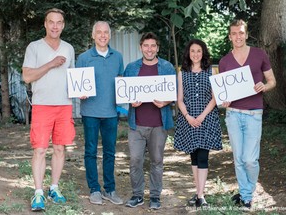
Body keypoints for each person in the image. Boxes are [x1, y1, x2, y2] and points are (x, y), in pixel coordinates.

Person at [22, 8, 76, 211]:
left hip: (64, 105)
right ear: (45, 24)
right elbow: (27, 76)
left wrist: (82, 90)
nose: (55, 26)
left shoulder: (69, 48)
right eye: (51, 22)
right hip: (43, 105)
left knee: (60, 148)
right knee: (40, 149)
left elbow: (73, 78)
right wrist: (51, 63)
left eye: (59, 22)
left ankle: (54, 187)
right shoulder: (34, 47)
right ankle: (38, 192)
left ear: (63, 25)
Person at [219, 19, 276, 209]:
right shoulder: (225, 61)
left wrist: (264, 86)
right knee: (238, 159)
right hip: (233, 114)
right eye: (234, 33)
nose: (238, 36)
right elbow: (223, 91)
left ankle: (248, 190)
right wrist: (224, 100)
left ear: (246, 34)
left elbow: (272, 81)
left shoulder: (259, 54)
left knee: (250, 159)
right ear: (229, 36)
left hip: (253, 114)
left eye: (241, 32)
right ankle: (246, 196)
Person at [124, 32, 176, 210]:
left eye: (153, 46)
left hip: (158, 124)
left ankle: (155, 196)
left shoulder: (167, 67)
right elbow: (124, 91)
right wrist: (131, 100)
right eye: (146, 46)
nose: (149, 49)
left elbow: (174, 92)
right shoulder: (131, 68)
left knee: (157, 161)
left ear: (157, 48)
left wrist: (166, 102)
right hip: (136, 124)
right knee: (135, 160)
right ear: (141, 47)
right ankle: (137, 195)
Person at [76, 21, 124, 205]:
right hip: (90, 112)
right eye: (99, 32)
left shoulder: (118, 57)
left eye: (106, 32)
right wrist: (79, 92)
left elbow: (121, 82)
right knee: (90, 151)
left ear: (110, 35)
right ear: (93, 35)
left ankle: (110, 189)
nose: (102, 35)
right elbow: (77, 84)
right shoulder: (84, 57)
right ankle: (94, 189)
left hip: (111, 112)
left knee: (110, 152)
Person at [174, 39, 222, 207]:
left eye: (199, 51)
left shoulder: (211, 71)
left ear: (203, 53)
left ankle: (201, 196)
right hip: (188, 120)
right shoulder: (182, 73)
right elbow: (179, 99)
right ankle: (198, 193)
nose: (195, 54)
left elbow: (215, 98)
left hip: (206, 119)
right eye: (192, 51)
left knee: (203, 157)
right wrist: (187, 116)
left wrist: (201, 116)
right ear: (188, 53)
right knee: (193, 157)